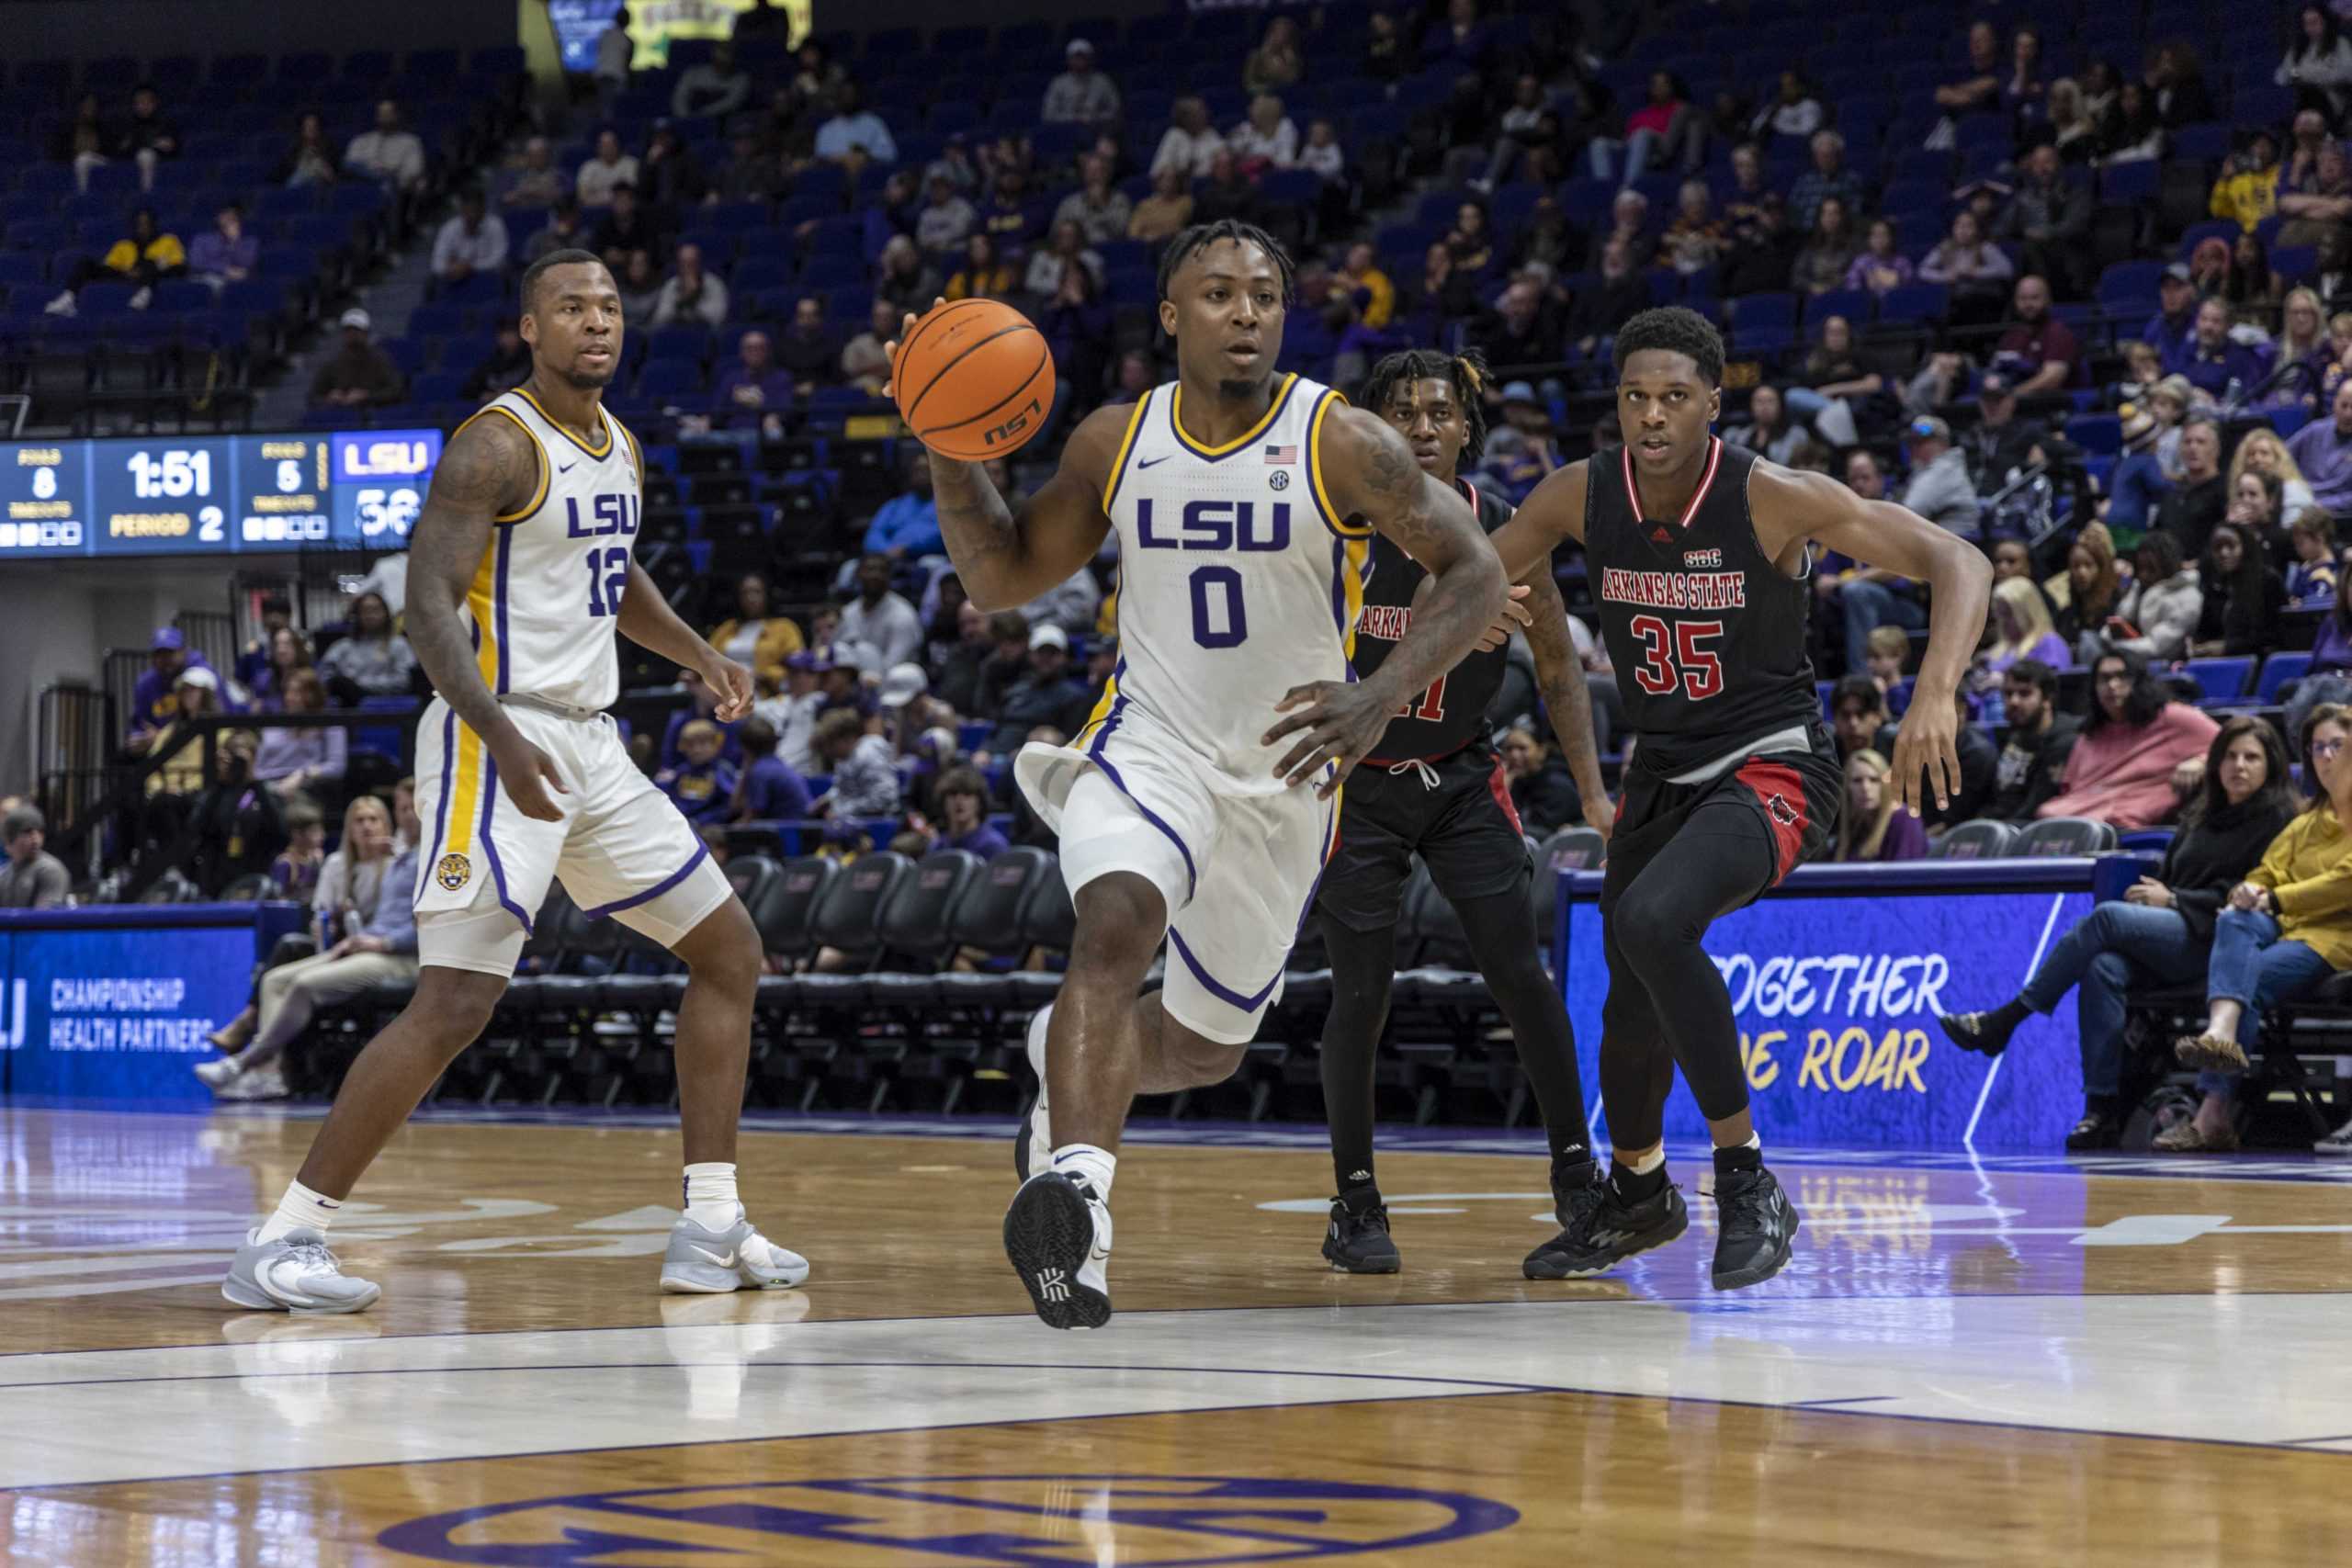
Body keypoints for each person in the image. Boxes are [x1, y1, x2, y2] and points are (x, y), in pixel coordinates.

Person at [896, 219, 1507, 1329]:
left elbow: (1475, 569)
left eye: (1264, 295)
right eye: (1218, 294)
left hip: (1283, 775)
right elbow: (999, 576)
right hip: (1150, 744)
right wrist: (947, 443)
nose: (1245, 313)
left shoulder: (1342, 438)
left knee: (1201, 1050)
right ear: (1172, 316)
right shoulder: (1113, 442)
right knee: (1114, 920)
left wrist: (1380, 694)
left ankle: (1056, 1054)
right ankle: (1076, 1209)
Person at [216, 248, 808, 1314]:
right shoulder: (492, 444)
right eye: (571, 308)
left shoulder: (618, 442)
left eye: (610, 307)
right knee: (455, 1001)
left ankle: (709, 1222)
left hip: (593, 744)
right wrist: (498, 729)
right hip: (498, 736)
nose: (597, 323)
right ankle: (285, 1238)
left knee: (730, 952)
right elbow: (426, 608)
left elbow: (609, 573)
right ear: (528, 329)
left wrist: (698, 655)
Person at [1483, 306, 1990, 1290]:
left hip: (1774, 763)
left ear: (1713, 403)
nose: (1652, 416)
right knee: (1627, 1009)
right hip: (1661, 772)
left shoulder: (1771, 497)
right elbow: (1470, 574)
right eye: (1634, 397)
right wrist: (1462, 613)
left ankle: (1747, 1179)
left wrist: (1932, 692)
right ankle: (1637, 1195)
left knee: (1651, 918)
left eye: (1674, 397)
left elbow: (1955, 560)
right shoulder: (1576, 494)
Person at [1308, 348, 1608, 1273]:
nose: (1425, 427)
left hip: (1460, 776)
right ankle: (1354, 1202)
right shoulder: (1339, 533)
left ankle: (1578, 1180)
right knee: (1360, 992)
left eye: (1440, 412)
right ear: (1376, 431)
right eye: (1403, 413)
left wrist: (1594, 792)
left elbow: (1558, 665)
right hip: (1355, 788)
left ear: (1466, 428)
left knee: (1523, 978)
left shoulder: (1501, 530)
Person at [1943, 715, 2297, 1148]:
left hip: (2222, 942)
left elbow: (2255, 894)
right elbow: (2168, 876)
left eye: (2252, 758)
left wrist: (2176, 901)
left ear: (2271, 766)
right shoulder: (2201, 812)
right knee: (2102, 966)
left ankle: (2007, 1018)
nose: (2239, 766)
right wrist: (2167, 897)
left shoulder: (2280, 818)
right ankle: (2102, 1109)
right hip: (2176, 931)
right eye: (2230, 756)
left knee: (2108, 918)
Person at [2165, 705, 2352, 1151]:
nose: (2325, 756)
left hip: (2337, 939)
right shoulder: (2306, 819)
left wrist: (2277, 897)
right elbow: (2268, 870)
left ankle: (2213, 1111)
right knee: (2235, 919)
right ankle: (2222, 1035)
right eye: (2316, 748)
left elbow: (2345, 881)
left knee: (2240, 978)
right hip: (2289, 931)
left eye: (2336, 746)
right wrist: (2248, 889)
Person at [2039, 649, 2220, 829]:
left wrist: (2200, 762)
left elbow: (2233, 744)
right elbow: (2071, 789)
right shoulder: (2091, 732)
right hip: (2074, 818)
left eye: (2122, 676)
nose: (2112, 685)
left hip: (2125, 824)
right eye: (2104, 679)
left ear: (2139, 682)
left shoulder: (2173, 717)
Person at [1985, 659, 2081, 821]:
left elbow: (2035, 808)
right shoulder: (2016, 734)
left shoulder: (2064, 741)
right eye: (2008, 694)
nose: (2013, 701)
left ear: (2047, 699)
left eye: (2024, 693)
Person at [2190, 520, 2286, 659]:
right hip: (2217, 662)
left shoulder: (2268, 581)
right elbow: (2204, 630)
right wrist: (2196, 644)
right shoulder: (2214, 586)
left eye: (2231, 546)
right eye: (2218, 547)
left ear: (2245, 547)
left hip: (2258, 662)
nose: (2224, 553)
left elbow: (2273, 636)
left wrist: (2228, 647)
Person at [253, 670, 347, 799]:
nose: (289, 697)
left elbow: (337, 767)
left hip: (303, 787)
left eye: (297, 693)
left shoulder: (330, 725)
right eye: (288, 692)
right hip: (264, 786)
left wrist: (303, 774)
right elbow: (258, 767)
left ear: (313, 695)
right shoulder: (274, 725)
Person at [707, 572, 803, 692]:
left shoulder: (784, 627)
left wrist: (766, 677)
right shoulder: (727, 628)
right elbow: (708, 657)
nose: (751, 598)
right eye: (745, 593)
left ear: (767, 595)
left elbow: (797, 665)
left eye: (756, 592)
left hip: (765, 692)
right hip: (724, 689)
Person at [318, 591, 416, 702]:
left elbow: (403, 682)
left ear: (386, 613)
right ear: (358, 615)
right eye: (365, 610)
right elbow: (323, 677)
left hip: (387, 706)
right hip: (347, 709)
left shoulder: (399, 645)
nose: (370, 615)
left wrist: (358, 686)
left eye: (375, 610)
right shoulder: (342, 647)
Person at [1833, 750, 1928, 863]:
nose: (1865, 788)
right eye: (1857, 781)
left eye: (1874, 780)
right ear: (1847, 787)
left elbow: (1904, 876)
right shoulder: (1854, 827)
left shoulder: (1905, 820)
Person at [2155, 417, 2229, 559]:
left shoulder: (2226, 490)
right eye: (2187, 442)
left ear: (2216, 449)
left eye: (2201, 442)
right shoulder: (2172, 493)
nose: (2193, 447)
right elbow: (2156, 535)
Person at [1898, 416, 1982, 537]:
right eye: (1913, 443)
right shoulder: (1924, 470)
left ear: (1943, 443)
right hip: (1943, 543)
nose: (1915, 448)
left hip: (1958, 546)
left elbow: (1910, 512)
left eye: (1922, 442)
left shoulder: (1945, 468)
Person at [810, 707, 900, 818]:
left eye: (831, 745)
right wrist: (828, 798)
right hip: (853, 819)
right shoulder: (843, 759)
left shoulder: (869, 755)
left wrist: (841, 812)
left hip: (878, 822)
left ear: (848, 737)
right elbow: (842, 788)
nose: (828, 752)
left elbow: (884, 798)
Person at [310, 308, 402, 409]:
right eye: (348, 330)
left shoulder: (380, 360)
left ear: (366, 333)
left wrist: (367, 396)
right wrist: (329, 398)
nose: (352, 334)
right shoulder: (333, 363)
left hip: (373, 415)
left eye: (357, 330)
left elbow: (395, 392)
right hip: (341, 417)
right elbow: (313, 397)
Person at [2288, 378, 2352, 518]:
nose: (2348, 414)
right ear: (2335, 403)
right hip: (2299, 501)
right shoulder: (2316, 430)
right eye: (2344, 405)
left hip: (2337, 515)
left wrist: (2324, 505)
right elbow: (2281, 456)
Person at [1985, 575, 2071, 674]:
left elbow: (2051, 682)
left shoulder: (2050, 643)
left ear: (2027, 612)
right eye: (2000, 614)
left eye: (2008, 614)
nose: (2003, 621)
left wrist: (2002, 682)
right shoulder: (1997, 650)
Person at [345, 100, 424, 195]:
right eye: (381, 114)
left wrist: (388, 173)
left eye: (388, 114)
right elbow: (350, 164)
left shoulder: (411, 142)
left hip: (393, 187)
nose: (384, 118)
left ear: (397, 116)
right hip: (362, 185)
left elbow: (413, 171)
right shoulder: (361, 140)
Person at [0, 805, 69, 909]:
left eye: (39, 832)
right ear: (10, 840)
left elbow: (44, 918)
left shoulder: (49, 870)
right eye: (27, 832)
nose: (35, 838)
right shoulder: (4, 874)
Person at [931, 767, 1009, 858]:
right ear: (943, 802)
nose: (959, 801)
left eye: (967, 794)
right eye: (953, 794)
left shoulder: (992, 846)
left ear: (979, 802)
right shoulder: (938, 846)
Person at [1043, 38, 1120, 125]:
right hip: (1065, 129)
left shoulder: (1103, 81)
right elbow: (1049, 114)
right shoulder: (1059, 83)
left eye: (1083, 57)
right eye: (1075, 57)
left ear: (1090, 58)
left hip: (1096, 127)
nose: (1079, 61)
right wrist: (1072, 118)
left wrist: (1095, 117)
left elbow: (1114, 110)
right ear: (1069, 60)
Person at [650, 244, 728, 330]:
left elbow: (717, 317)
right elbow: (660, 317)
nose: (687, 268)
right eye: (683, 263)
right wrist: (683, 299)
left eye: (691, 263)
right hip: (675, 333)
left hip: (703, 334)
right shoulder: (671, 284)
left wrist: (693, 297)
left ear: (699, 263)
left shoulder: (714, 284)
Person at [187, 203, 258, 295]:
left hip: (236, 281)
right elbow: (196, 262)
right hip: (206, 279)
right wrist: (224, 269)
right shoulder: (201, 239)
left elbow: (246, 263)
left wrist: (235, 242)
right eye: (224, 215)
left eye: (232, 218)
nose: (227, 221)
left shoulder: (250, 241)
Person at [673, 41, 748, 122]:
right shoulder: (693, 74)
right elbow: (679, 97)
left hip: (723, 124)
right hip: (688, 121)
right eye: (719, 62)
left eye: (726, 63)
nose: (723, 67)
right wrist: (686, 119)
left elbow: (731, 103)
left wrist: (703, 115)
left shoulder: (742, 79)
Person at [2287, 509, 2339, 607]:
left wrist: (2300, 606)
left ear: (2320, 538)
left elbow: (2316, 610)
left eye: (2301, 543)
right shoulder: (2307, 565)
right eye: (2296, 544)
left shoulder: (2325, 574)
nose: (2297, 549)